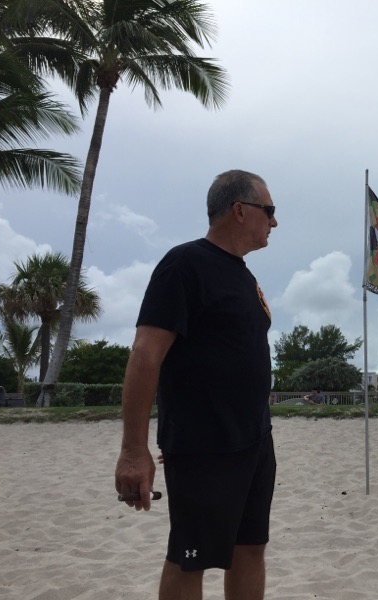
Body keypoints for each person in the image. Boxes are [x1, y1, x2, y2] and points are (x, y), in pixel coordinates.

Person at [114, 170, 278, 600]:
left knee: (250, 547)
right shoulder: (185, 264)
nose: (274, 221)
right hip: (205, 444)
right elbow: (146, 354)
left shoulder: (242, 275)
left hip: (254, 439)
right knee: (191, 557)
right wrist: (134, 449)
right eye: (269, 210)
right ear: (239, 211)